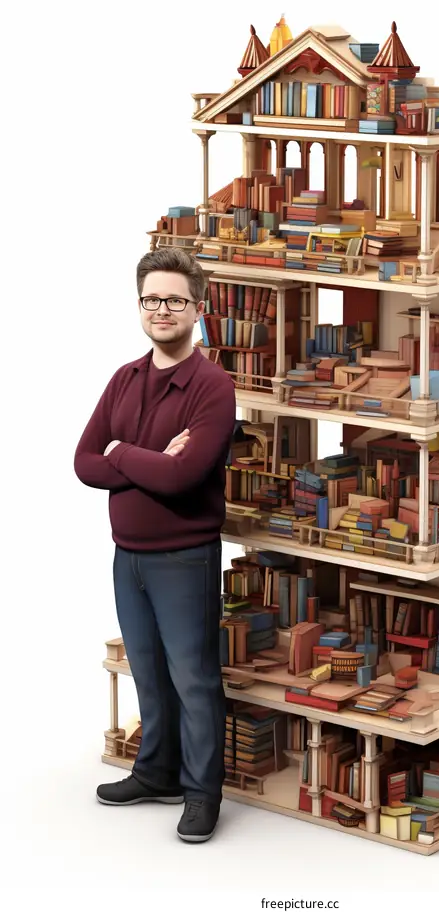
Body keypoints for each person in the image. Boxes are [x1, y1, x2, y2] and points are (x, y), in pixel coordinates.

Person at [74, 248, 236, 843]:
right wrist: (137, 457)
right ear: (139, 305)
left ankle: (201, 794)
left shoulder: (213, 387)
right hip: (128, 555)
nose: (160, 309)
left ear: (198, 307)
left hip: (184, 558)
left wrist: (120, 453)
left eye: (173, 299)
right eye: (150, 299)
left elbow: (182, 478)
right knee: (147, 671)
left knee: (193, 679)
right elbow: (84, 461)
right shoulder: (125, 378)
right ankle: (156, 773)